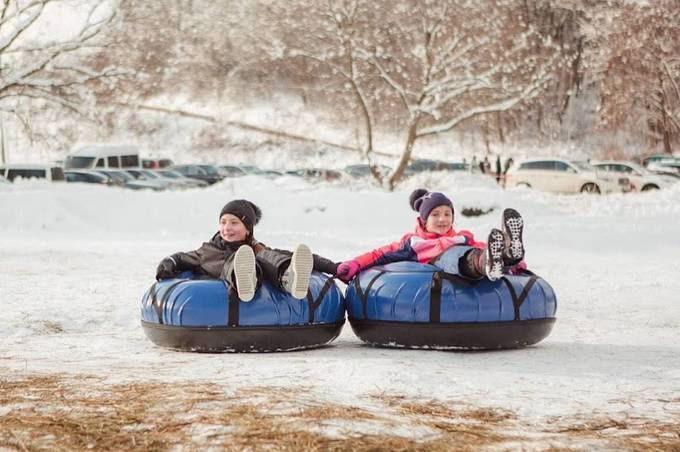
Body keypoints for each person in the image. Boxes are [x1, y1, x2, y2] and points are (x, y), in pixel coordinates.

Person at [155, 199, 338, 302]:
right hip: (232, 275)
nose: (227, 228)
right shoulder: (207, 251)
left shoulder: (257, 248)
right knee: (239, 261)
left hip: (254, 265)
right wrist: (167, 264)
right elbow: (181, 258)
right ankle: (245, 278)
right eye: (223, 222)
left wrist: (335, 268)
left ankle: (288, 277)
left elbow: (298, 256)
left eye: (234, 223)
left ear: (248, 229)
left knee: (267, 257)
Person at [336, 189, 525, 283]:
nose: (442, 219)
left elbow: (485, 246)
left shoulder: (463, 237)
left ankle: (510, 253)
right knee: (455, 256)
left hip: (471, 253)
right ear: (424, 220)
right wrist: (355, 264)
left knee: (479, 249)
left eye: (447, 214)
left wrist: (514, 265)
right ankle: (487, 263)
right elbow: (379, 254)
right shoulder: (413, 243)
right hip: (447, 263)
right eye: (435, 215)